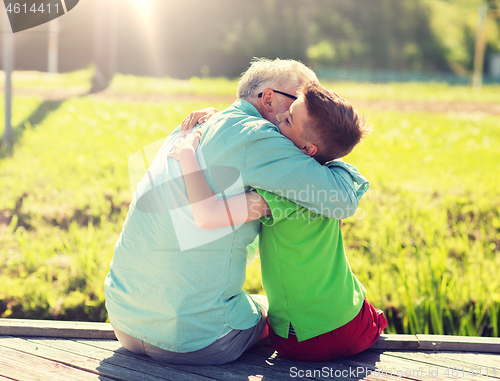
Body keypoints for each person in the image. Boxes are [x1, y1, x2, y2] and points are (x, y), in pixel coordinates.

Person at [105, 58, 366, 365]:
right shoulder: (258, 136)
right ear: (268, 98)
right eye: (301, 99)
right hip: (195, 338)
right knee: (276, 314)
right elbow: (342, 200)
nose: (308, 108)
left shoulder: (197, 125)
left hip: (123, 320)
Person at [169, 81, 387, 362]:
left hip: (300, 341)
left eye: (288, 119)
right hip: (353, 325)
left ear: (308, 148)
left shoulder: (278, 195)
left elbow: (208, 214)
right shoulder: (331, 183)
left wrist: (188, 154)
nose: (278, 119)